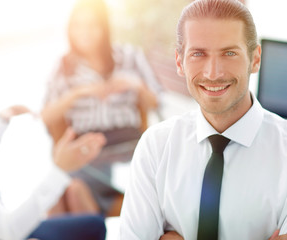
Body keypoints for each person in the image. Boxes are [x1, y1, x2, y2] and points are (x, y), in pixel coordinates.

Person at [119, 0, 287, 239]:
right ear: (180, 62)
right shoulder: (156, 147)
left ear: (255, 58)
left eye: (229, 53)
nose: (213, 73)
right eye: (198, 53)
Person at [0, 58, 107, 240]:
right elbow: (8, 231)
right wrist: (60, 169)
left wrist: (3, 121)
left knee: (93, 224)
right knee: (93, 227)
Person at [41, 0, 162, 216]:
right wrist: (77, 94)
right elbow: (46, 116)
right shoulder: (63, 67)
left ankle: (90, 213)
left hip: (128, 145)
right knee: (68, 191)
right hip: (87, 148)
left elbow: (156, 102)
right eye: (78, 26)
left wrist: (134, 84)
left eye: (92, 25)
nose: (84, 33)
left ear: (104, 28)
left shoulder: (129, 56)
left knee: (73, 191)